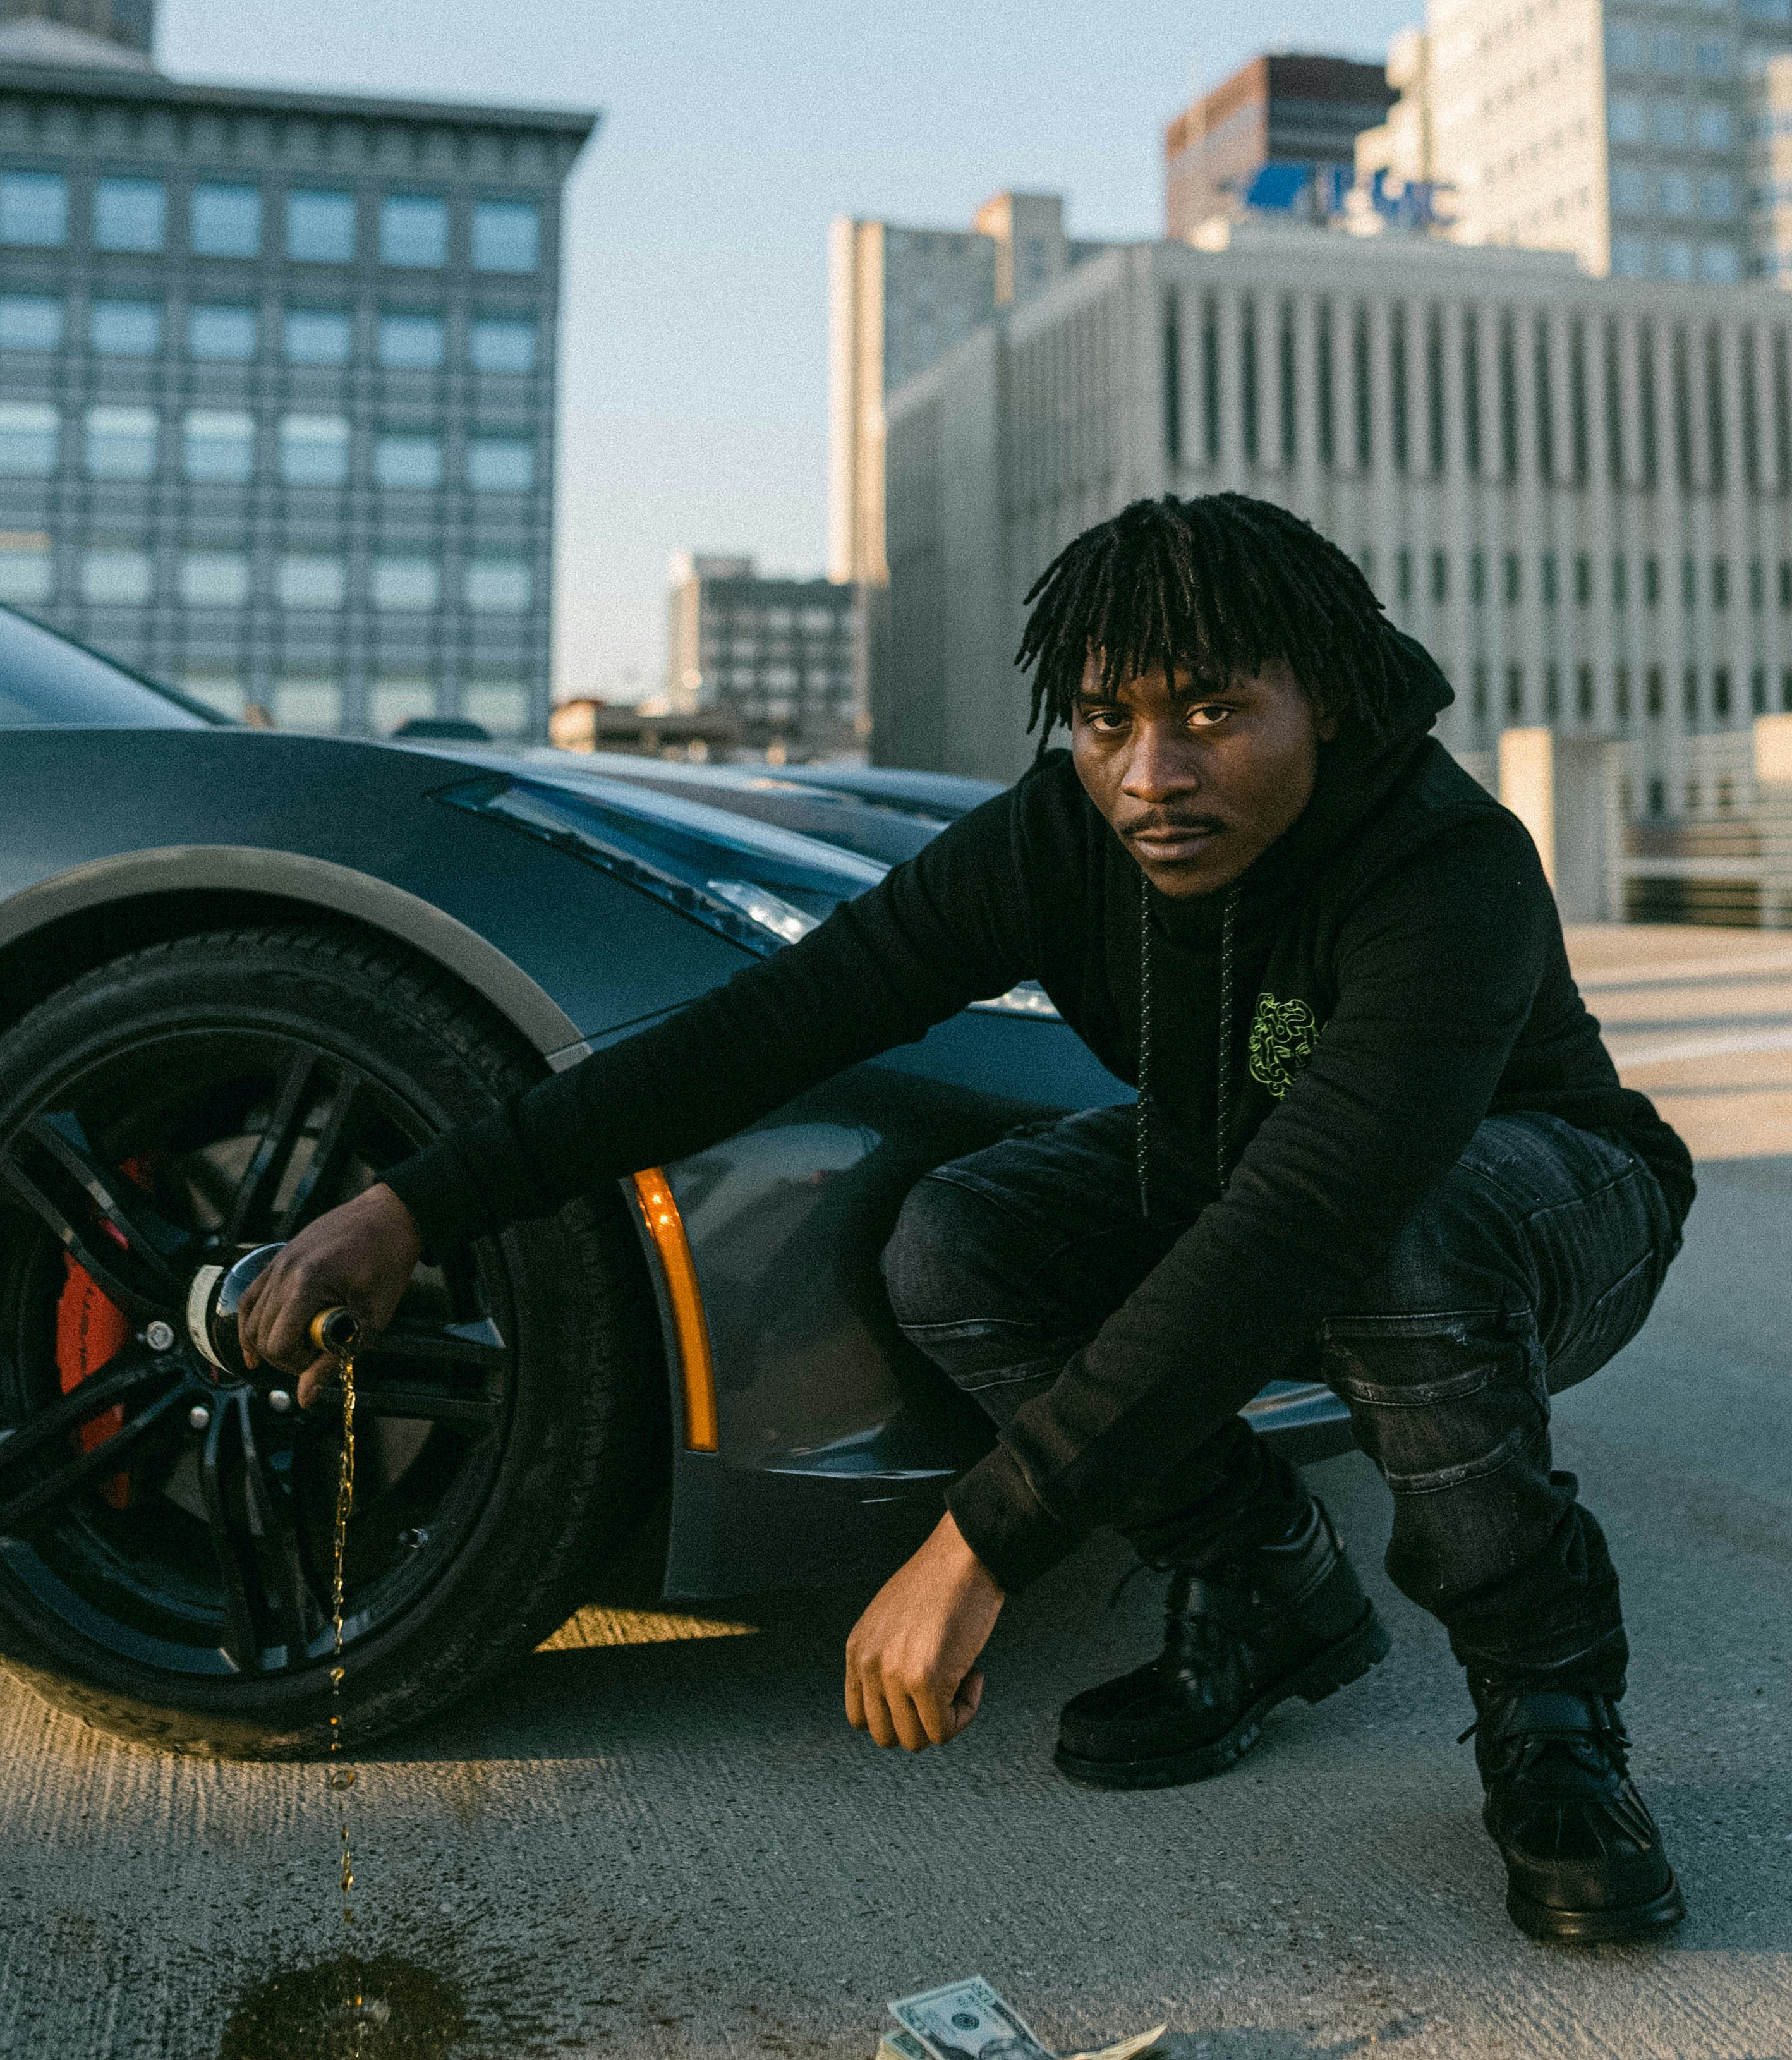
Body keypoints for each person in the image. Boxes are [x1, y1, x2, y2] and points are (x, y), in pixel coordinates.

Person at [243, 492, 1694, 1944]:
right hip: (1255, 1171)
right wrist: (413, 1203)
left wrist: (976, 1542)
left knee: (1395, 1245)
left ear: (1324, 695)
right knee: (960, 1237)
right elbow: (763, 1027)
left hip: (1545, 1186)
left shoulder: (1447, 862)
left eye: (1210, 712)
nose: (1151, 776)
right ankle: (1263, 1582)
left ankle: (1551, 1706)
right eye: (1104, 720)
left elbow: (1309, 1215)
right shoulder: (1056, 841)